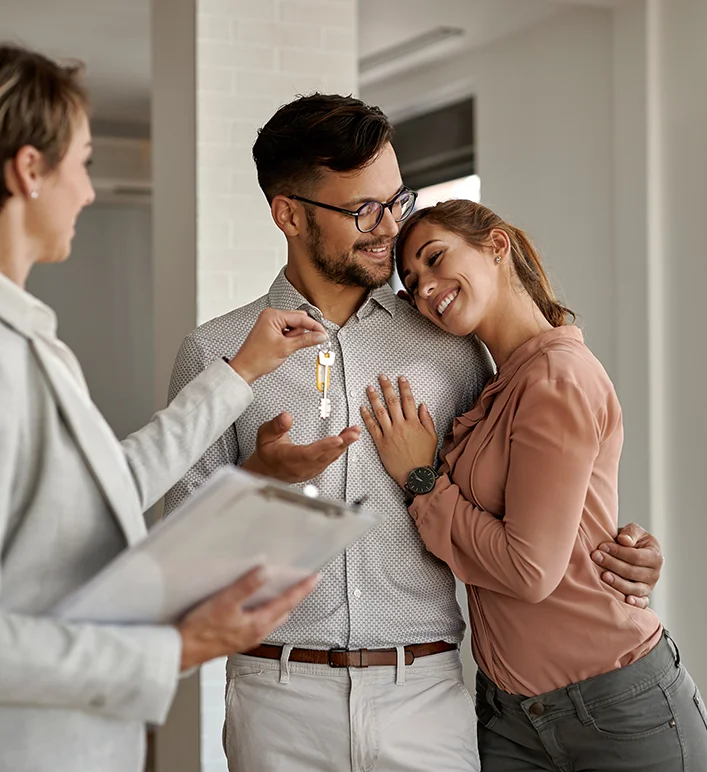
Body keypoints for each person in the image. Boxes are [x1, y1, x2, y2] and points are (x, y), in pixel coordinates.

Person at [167, 94, 665, 772]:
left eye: (395, 201)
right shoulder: (216, 352)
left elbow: (524, 493)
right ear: (288, 213)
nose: (386, 229)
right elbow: (182, 566)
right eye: (361, 210)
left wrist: (621, 546)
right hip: (277, 700)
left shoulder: (450, 347)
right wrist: (254, 483)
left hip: (427, 700)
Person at [0, 44, 326, 772]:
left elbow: (108, 485)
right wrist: (176, 646)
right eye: (83, 162)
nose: (87, 190)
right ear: (29, 170)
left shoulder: (28, 338)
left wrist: (241, 371)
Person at [361, 198, 707, 771]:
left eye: (435, 258)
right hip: (513, 715)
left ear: (497, 246)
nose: (425, 288)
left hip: (617, 710)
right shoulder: (502, 380)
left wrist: (422, 480)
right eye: (413, 280)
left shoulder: (555, 378)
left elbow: (529, 570)